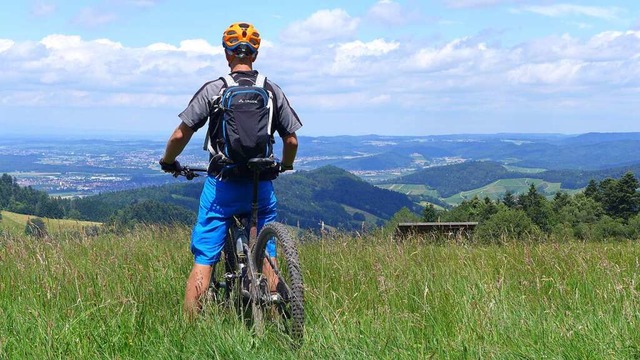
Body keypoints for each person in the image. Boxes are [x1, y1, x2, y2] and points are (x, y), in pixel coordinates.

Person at [159, 22, 302, 318]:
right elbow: (291, 139)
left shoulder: (215, 89)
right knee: (267, 255)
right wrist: (285, 166)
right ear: (255, 54)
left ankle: (189, 333)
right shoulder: (271, 90)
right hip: (259, 184)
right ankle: (275, 315)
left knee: (204, 260)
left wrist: (168, 161)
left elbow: (179, 135)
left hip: (222, 185)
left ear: (227, 54)